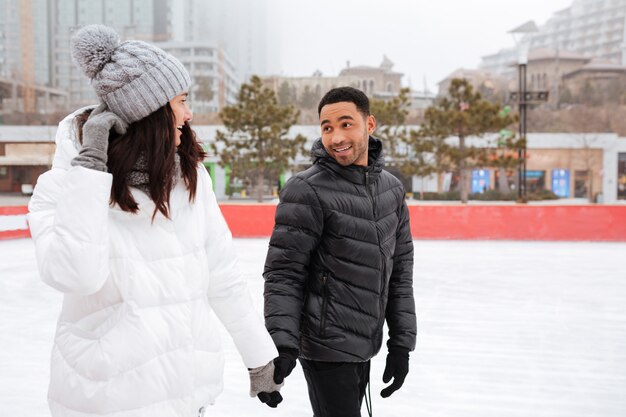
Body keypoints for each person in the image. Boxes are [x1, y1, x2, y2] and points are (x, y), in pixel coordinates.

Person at [27, 24, 283, 417]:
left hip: (185, 393)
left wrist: (259, 357)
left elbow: (223, 276)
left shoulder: (188, 180)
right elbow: (76, 276)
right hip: (107, 399)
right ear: (150, 111)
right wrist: (90, 172)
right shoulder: (64, 186)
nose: (189, 113)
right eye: (181, 101)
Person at [263, 86, 417, 417]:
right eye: (327, 127)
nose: (335, 137)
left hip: (365, 342)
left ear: (369, 124)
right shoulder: (306, 189)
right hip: (325, 347)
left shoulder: (391, 189)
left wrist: (401, 344)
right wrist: (282, 344)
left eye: (346, 124)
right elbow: (284, 273)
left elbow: (400, 271)